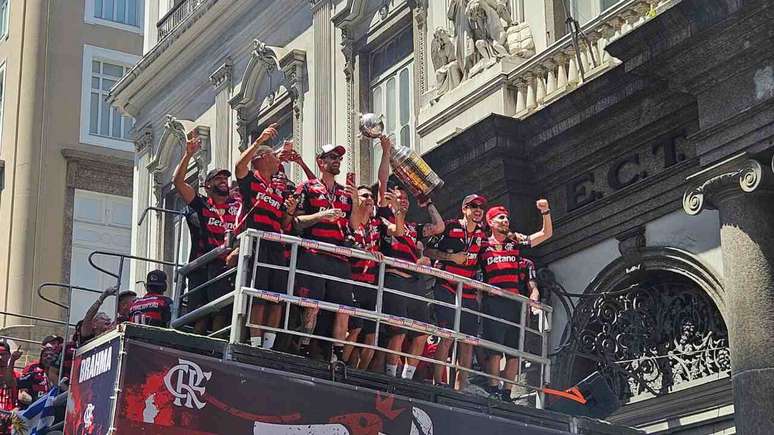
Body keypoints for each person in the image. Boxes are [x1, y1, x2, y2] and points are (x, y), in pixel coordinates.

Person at [293, 144, 364, 361]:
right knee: (312, 305)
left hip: (339, 257)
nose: (337, 160)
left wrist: (356, 202)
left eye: (339, 157)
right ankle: (304, 347)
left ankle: (337, 355)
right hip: (314, 253)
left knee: (343, 308)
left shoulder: (345, 192)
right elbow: (297, 221)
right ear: (320, 162)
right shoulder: (307, 187)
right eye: (332, 157)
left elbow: (354, 225)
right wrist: (321, 216)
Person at [235, 125, 299, 349]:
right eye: (273, 155)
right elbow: (239, 166)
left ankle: (268, 344)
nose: (277, 159)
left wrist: (290, 211)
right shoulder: (251, 181)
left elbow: (285, 223)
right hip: (258, 243)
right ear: (261, 159)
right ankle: (255, 342)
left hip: (277, 245)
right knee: (259, 294)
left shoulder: (278, 190)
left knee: (277, 297)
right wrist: (259, 140)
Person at [478, 204, 549, 400]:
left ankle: (507, 392)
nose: (505, 220)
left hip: (515, 303)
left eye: (507, 217)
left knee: (515, 352)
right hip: (493, 302)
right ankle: (493, 389)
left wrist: (546, 212)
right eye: (500, 217)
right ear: (490, 222)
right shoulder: (482, 245)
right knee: (495, 351)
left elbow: (544, 234)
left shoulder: (514, 241)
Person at [173, 131, 241, 335]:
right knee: (200, 315)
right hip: (201, 266)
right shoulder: (202, 204)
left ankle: (216, 343)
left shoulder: (237, 205)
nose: (223, 181)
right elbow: (178, 182)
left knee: (221, 311)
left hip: (226, 266)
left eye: (225, 178)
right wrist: (188, 154)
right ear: (207, 185)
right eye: (218, 178)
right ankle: (198, 347)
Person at [379, 184, 445, 379]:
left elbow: (439, 227)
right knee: (398, 332)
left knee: (422, 333)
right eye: (399, 197)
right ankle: (392, 376)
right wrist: (396, 211)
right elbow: (398, 231)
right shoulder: (383, 220)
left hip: (415, 282)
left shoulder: (414, 227)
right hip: (394, 278)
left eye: (406, 198)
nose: (404, 201)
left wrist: (428, 203)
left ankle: (407, 378)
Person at [424, 194, 488, 391]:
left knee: (468, 341)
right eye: (473, 206)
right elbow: (427, 251)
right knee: (448, 335)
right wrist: (451, 257)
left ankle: (461, 387)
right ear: (464, 209)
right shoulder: (450, 226)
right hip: (446, 286)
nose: (478, 210)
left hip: (468, 291)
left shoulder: (482, 234)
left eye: (481, 207)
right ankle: (438, 382)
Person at [17, 336, 61, 408]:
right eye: (53, 343)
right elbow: (22, 393)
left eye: (58, 344)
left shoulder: (61, 371)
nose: (56, 346)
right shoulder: (32, 368)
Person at [0, 341, 21, 434]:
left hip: (12, 419)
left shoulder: (18, 376)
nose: (0, 358)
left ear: (9, 355)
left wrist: (17, 409)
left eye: (3, 354)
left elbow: (9, 382)